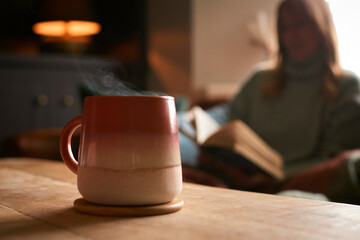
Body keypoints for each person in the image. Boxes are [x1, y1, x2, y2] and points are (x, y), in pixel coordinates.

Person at [179, 0, 360, 203]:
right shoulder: (260, 79)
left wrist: (273, 180)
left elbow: (333, 162)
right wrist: (188, 124)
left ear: (322, 26)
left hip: (295, 183)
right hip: (234, 176)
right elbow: (228, 117)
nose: (293, 35)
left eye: (301, 24)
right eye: (285, 27)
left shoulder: (347, 86)